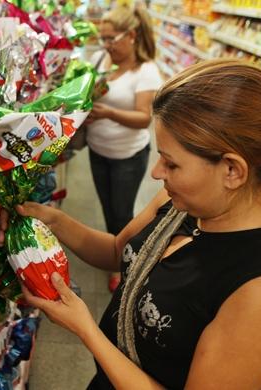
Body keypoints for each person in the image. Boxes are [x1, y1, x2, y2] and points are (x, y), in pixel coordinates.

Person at [0, 59, 261, 389]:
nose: (157, 173)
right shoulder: (182, 203)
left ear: (232, 170)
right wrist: (50, 218)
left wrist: (86, 328)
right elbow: (117, 251)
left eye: (171, 163)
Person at [85, 5, 162, 293]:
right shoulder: (101, 59)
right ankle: (113, 253)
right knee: (108, 209)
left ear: (131, 36)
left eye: (111, 39)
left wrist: (106, 113)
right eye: (102, 39)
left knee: (121, 214)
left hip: (127, 156)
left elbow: (144, 119)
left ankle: (124, 265)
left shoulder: (146, 71)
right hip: (98, 149)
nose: (106, 45)